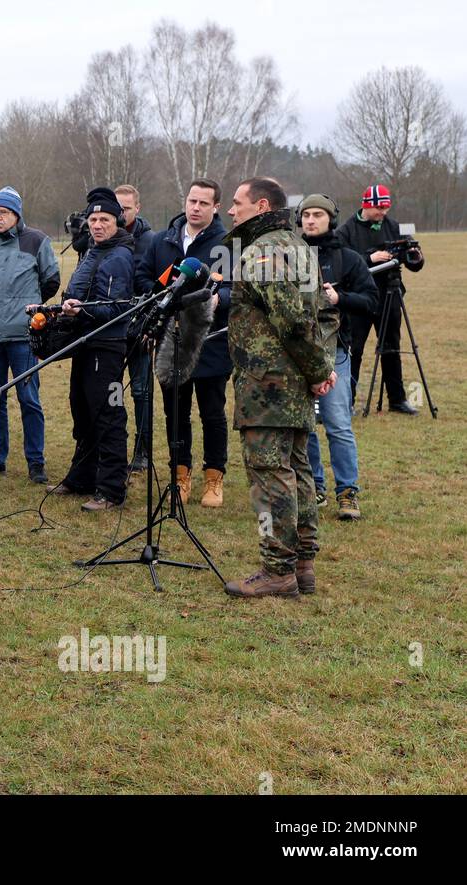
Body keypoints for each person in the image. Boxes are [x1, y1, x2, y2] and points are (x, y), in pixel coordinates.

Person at [223, 177, 337, 599]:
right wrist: (321, 367)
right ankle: (303, 563)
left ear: (261, 205)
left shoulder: (264, 252)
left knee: (270, 478)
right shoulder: (300, 248)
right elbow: (322, 314)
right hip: (293, 384)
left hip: (267, 384)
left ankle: (277, 569)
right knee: (298, 470)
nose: (231, 211)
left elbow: (291, 322)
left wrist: (315, 370)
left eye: (237, 203)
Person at [134, 178, 232, 507]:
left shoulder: (227, 244)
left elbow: (236, 289)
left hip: (210, 342)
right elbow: (143, 276)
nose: (195, 208)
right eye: (192, 201)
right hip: (170, 342)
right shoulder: (163, 240)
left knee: (212, 413)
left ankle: (214, 477)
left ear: (216, 207)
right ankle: (180, 475)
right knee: (176, 413)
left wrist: (219, 301)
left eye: (204, 203)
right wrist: (161, 294)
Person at [0, 186, 61, 482]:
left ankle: (36, 462)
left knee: (29, 400)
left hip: (23, 337)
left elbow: (51, 281)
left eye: (3, 213)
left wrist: (26, 305)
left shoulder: (37, 241)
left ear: (16, 214)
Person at [50, 188, 133, 511]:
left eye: (105, 220)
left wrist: (80, 309)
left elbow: (117, 309)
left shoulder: (120, 256)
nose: (98, 225)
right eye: (94, 219)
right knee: (82, 410)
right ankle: (81, 476)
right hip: (83, 343)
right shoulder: (92, 252)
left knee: (107, 414)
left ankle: (112, 489)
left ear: (118, 222)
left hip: (107, 347)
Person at [298, 194, 378, 520]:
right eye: (305, 215)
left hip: (337, 356)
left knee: (338, 425)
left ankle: (348, 492)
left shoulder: (349, 259)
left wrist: (339, 297)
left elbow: (370, 300)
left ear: (331, 218)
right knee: (303, 426)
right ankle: (314, 486)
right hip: (298, 355)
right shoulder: (290, 257)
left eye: (318, 214)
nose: (311, 220)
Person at [336, 184, 425, 414]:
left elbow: (411, 259)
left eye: (386, 207)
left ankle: (397, 399)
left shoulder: (394, 226)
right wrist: (370, 258)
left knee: (391, 346)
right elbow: (341, 263)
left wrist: (415, 257)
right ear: (366, 204)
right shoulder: (347, 230)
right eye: (378, 207)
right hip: (359, 298)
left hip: (390, 295)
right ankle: (348, 401)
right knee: (353, 348)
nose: (382, 212)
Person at [114, 184, 155, 477]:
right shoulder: (105, 238)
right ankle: (115, 446)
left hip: (140, 327)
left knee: (140, 391)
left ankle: (142, 452)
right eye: (117, 208)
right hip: (109, 328)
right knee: (112, 391)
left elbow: (156, 288)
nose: (120, 214)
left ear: (137, 208)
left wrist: (149, 325)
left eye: (126, 208)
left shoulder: (151, 242)